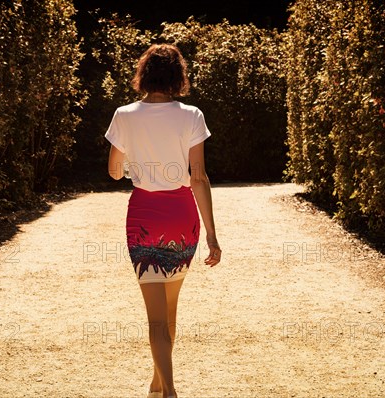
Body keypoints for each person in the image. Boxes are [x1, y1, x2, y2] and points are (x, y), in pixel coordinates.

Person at [104, 43, 222, 398]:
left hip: (144, 216)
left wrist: (134, 163)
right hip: (182, 216)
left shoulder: (124, 115)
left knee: (155, 314)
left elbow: (113, 173)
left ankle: (167, 391)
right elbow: (198, 177)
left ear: (143, 74)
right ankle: (159, 384)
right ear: (178, 77)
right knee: (170, 308)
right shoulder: (192, 115)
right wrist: (213, 237)